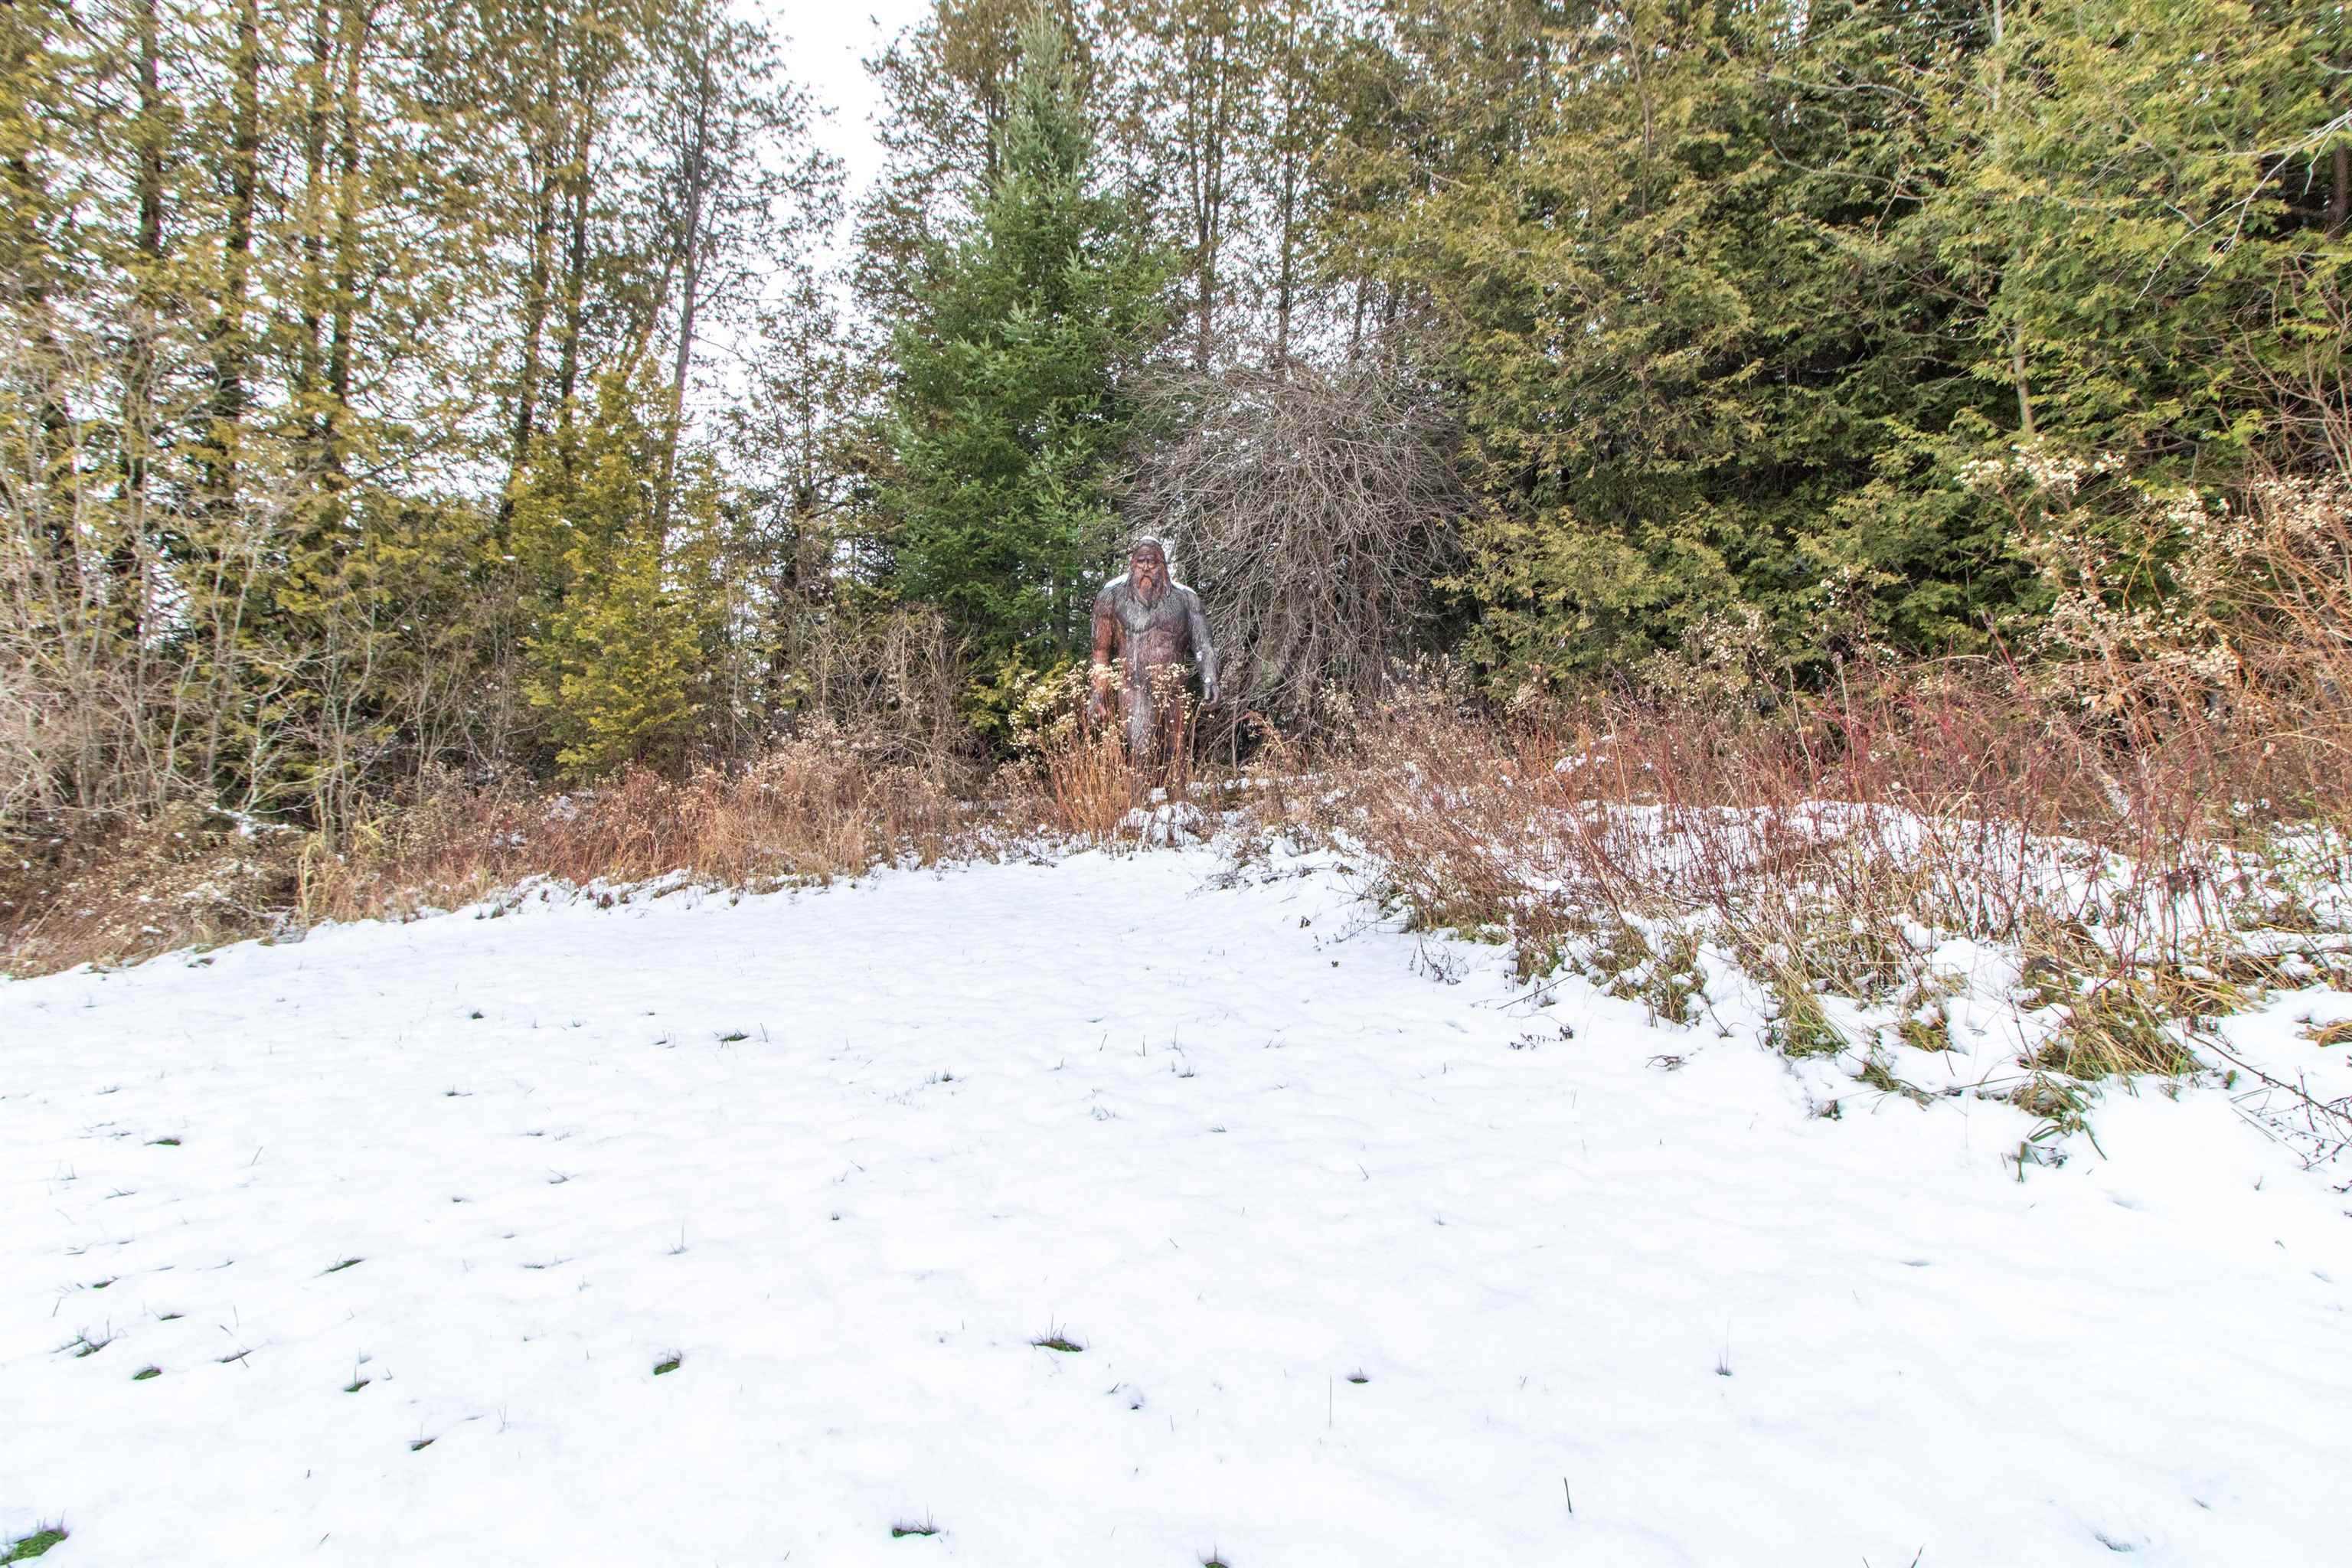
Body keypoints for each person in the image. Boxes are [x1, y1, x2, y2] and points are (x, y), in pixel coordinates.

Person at [1086, 537, 1218, 789]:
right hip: (1133, 687)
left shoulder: (1185, 601)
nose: (1146, 567)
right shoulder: (1112, 598)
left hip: (1174, 689)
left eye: (1153, 562)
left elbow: (1203, 644)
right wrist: (1098, 692)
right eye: (1140, 562)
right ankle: (1138, 814)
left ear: (1164, 566)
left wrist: (1210, 678)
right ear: (1131, 565)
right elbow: (1100, 651)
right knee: (1140, 751)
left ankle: (1179, 812)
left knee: (1176, 753)